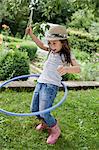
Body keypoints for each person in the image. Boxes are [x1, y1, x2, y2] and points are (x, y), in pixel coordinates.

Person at [26, 25, 80, 144]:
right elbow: (41, 45)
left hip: (51, 86)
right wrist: (31, 34)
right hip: (40, 83)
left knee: (44, 111)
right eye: (50, 43)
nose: (51, 46)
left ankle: (55, 130)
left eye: (54, 43)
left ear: (63, 42)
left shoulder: (67, 54)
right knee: (34, 109)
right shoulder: (51, 50)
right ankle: (45, 123)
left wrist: (66, 69)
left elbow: (78, 69)